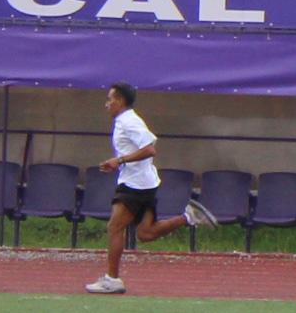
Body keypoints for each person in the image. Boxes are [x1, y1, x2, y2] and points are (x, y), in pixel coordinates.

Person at [82, 82, 215, 294]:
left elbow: (150, 149)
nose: (106, 104)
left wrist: (120, 160)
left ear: (120, 101)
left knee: (115, 228)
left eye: (110, 99)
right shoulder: (124, 121)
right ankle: (188, 217)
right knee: (145, 233)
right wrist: (119, 162)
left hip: (135, 185)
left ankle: (112, 279)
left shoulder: (129, 122)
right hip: (144, 182)